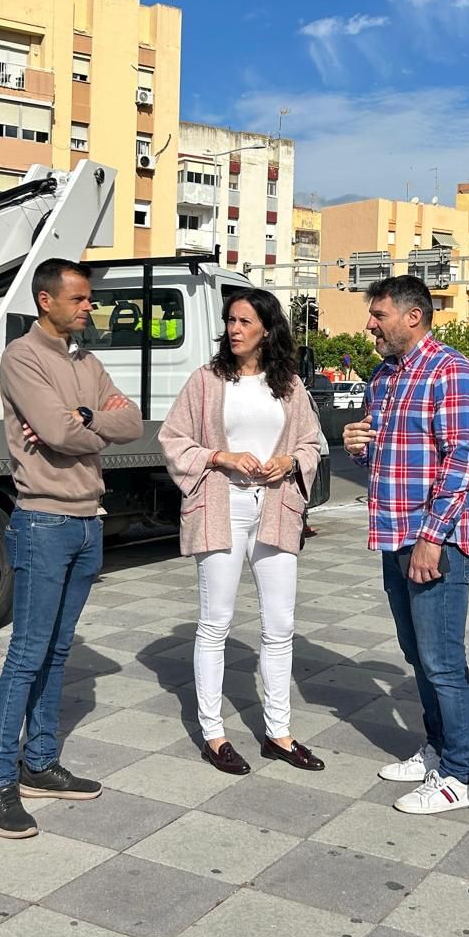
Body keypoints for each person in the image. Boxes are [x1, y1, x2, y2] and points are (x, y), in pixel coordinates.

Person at [0, 258, 143, 839]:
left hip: (87, 522)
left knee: (57, 651)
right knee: (27, 653)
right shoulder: (22, 358)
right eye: (79, 299)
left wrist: (87, 416)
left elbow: (134, 422)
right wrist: (79, 427)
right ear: (46, 301)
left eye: (88, 299)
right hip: (43, 521)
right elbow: (57, 433)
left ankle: (40, 762)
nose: (88, 307)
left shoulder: (87, 363)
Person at [160, 288, 326, 776]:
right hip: (221, 507)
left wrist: (289, 461)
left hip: (276, 508)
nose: (234, 329)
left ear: (267, 330)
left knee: (280, 625)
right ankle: (214, 734)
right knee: (216, 622)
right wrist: (220, 456)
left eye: (245, 321)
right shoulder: (206, 380)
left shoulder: (289, 386)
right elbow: (172, 438)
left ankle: (279, 733)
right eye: (230, 320)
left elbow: (312, 442)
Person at [342, 275, 469, 815]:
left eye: (378, 314)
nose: (370, 325)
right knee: (417, 655)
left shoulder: (453, 371)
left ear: (413, 316)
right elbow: (383, 457)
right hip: (394, 536)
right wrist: (357, 445)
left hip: (436, 541)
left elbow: (462, 462)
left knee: (443, 661)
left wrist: (432, 537)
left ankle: (459, 775)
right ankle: (437, 749)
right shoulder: (383, 377)